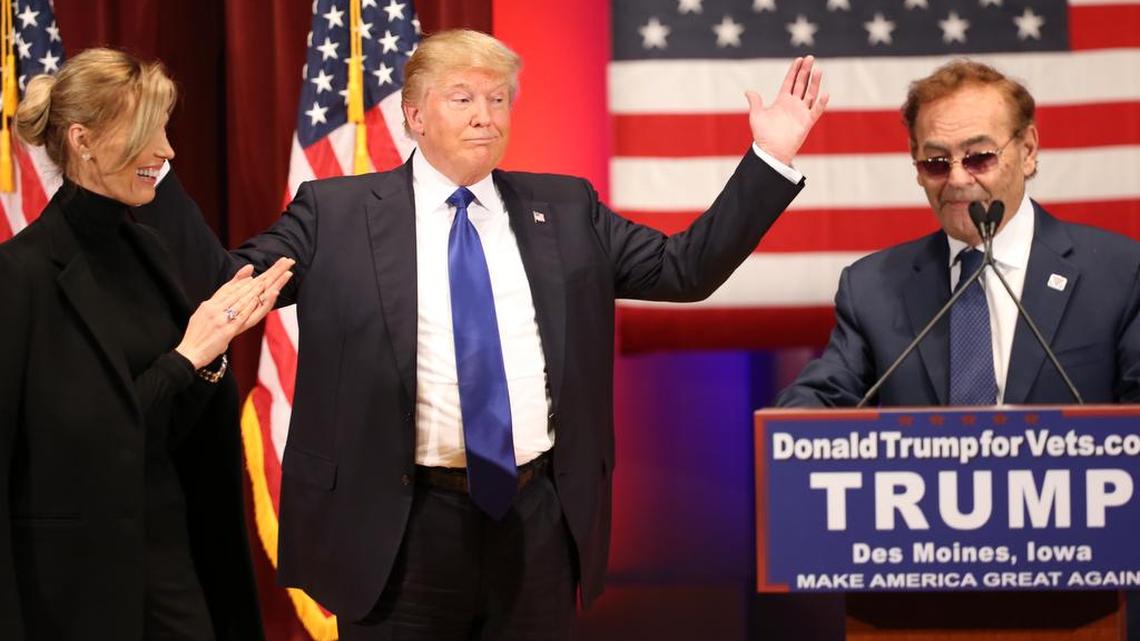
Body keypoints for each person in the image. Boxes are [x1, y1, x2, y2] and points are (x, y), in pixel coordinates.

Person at [145, 29, 827, 640]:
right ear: (414, 116)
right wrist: (155, 171)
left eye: (499, 100)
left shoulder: (566, 208)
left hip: (535, 525)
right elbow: (226, 279)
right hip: (397, 531)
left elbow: (687, 269)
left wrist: (769, 155)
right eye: (464, 98)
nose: (486, 116)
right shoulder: (336, 213)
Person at [0, 48, 293, 641]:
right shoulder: (19, 275)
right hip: (73, 584)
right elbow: (70, 444)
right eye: (149, 132)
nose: (167, 152)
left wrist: (210, 357)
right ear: (82, 140)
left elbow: (167, 428)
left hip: (167, 553)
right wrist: (187, 357)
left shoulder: (148, 251)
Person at [777, 59, 1140, 408]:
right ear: (916, 165)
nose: (957, 179)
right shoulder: (873, 288)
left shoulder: (1119, 275)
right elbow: (822, 399)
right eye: (935, 162)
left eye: (979, 157)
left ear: (1027, 151)